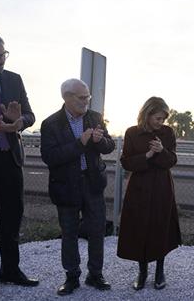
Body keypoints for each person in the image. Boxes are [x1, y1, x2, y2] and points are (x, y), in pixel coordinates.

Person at [40, 78, 115, 296]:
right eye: (82, 97)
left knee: (97, 230)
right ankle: (72, 277)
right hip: (66, 186)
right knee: (69, 233)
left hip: (92, 184)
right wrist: (80, 143)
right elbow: (50, 157)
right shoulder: (50, 124)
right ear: (67, 97)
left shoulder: (94, 117)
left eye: (88, 96)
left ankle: (95, 274)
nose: (86, 101)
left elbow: (109, 146)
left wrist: (100, 141)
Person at [0, 30, 38, 298]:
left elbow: (30, 114)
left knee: (11, 217)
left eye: (2, 54)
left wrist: (20, 123)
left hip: (10, 160)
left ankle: (9, 270)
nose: (0, 60)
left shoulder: (13, 79)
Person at [117, 96, 181, 291]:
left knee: (160, 226)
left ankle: (160, 271)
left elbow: (172, 161)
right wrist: (147, 156)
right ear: (147, 114)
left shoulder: (168, 133)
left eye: (163, 119)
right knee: (139, 227)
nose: (161, 122)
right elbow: (126, 162)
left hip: (162, 186)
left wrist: (161, 151)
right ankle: (142, 271)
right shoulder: (132, 133)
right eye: (158, 118)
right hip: (139, 187)